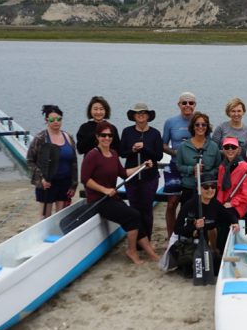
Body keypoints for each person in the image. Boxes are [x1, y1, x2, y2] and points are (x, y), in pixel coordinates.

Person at [81, 125, 157, 265]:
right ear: (97, 137)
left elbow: (123, 173)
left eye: (110, 136)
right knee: (133, 215)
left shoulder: (113, 153)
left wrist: (142, 167)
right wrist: (104, 189)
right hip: (98, 200)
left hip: (111, 198)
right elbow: (85, 179)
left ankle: (151, 253)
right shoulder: (92, 155)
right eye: (103, 135)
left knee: (136, 216)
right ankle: (131, 251)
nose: (107, 138)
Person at [119, 102, 164, 240]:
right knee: (134, 209)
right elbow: (122, 153)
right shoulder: (127, 132)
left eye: (143, 113)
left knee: (147, 209)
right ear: (133, 116)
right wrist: (132, 150)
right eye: (138, 113)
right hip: (131, 177)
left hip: (150, 177)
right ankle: (137, 240)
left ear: (148, 116)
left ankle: (147, 239)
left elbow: (159, 156)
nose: (141, 115)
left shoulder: (155, 133)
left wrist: (144, 148)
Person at [25, 104, 78, 219]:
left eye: (59, 119)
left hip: (65, 183)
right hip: (47, 184)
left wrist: (74, 184)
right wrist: (41, 178)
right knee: (45, 217)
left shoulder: (68, 137)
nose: (56, 122)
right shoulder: (40, 138)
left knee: (62, 217)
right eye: (52, 120)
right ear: (46, 120)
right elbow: (30, 161)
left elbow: (74, 162)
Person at [161, 91, 198, 237]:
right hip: (175, 165)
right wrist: (177, 153)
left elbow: (207, 142)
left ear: (195, 105)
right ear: (179, 104)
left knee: (191, 203)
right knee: (172, 203)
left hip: (192, 168)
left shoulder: (199, 122)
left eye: (191, 103)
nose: (187, 105)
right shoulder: (170, 122)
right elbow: (164, 145)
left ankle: (189, 233)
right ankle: (171, 236)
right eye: (184, 102)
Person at [170, 177, 222, 278]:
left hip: (203, 243)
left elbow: (227, 217)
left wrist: (234, 222)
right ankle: (185, 265)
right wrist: (194, 228)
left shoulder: (215, 203)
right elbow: (177, 229)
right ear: (199, 189)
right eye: (206, 187)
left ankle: (213, 251)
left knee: (216, 268)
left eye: (213, 186)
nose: (210, 190)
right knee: (189, 266)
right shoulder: (189, 204)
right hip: (186, 242)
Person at [215, 136, 247, 251]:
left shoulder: (245, 167)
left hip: (243, 203)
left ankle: (222, 248)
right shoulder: (222, 167)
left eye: (233, 147)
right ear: (223, 149)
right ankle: (220, 247)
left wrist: (232, 203)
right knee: (216, 214)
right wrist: (218, 204)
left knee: (225, 216)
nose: (230, 149)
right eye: (227, 147)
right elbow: (221, 189)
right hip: (228, 202)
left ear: (238, 150)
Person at [174, 111, 221, 207]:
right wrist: (192, 169)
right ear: (193, 127)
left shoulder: (213, 146)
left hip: (208, 188)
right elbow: (179, 166)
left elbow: (218, 167)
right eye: (197, 124)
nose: (200, 127)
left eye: (203, 124)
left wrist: (207, 174)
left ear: (207, 127)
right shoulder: (183, 146)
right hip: (189, 187)